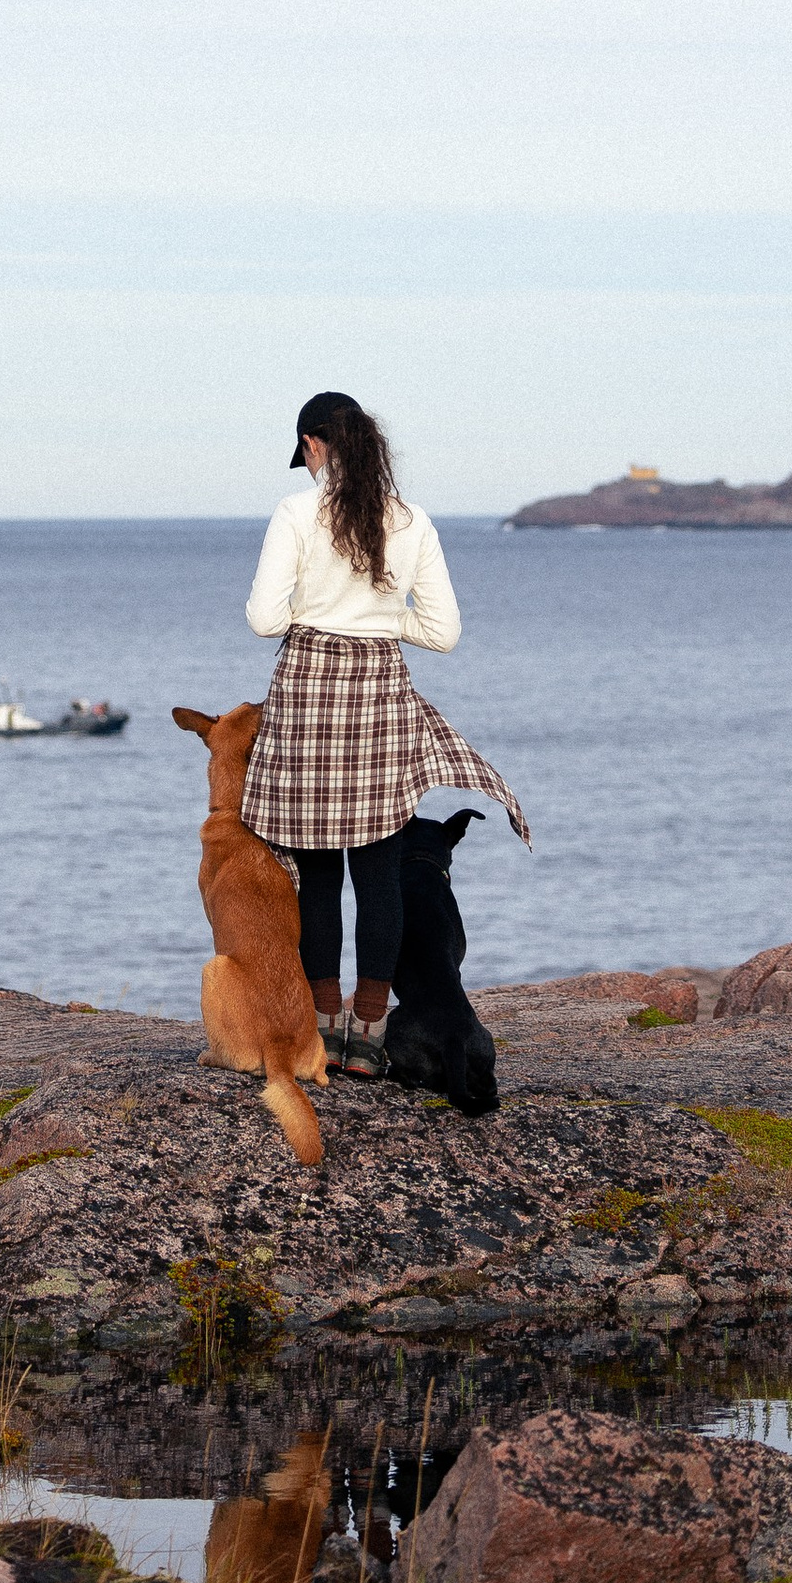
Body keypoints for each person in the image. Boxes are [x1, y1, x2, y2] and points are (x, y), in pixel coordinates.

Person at [240, 389, 529, 1078]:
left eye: (304, 455)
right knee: (379, 878)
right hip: (378, 696)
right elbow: (443, 633)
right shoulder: (411, 520)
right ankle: (370, 1037)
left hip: (309, 696)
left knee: (316, 878)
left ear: (314, 445)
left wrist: (324, 616)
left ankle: (323, 1028)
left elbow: (262, 619)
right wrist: (378, 621)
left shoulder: (295, 513)